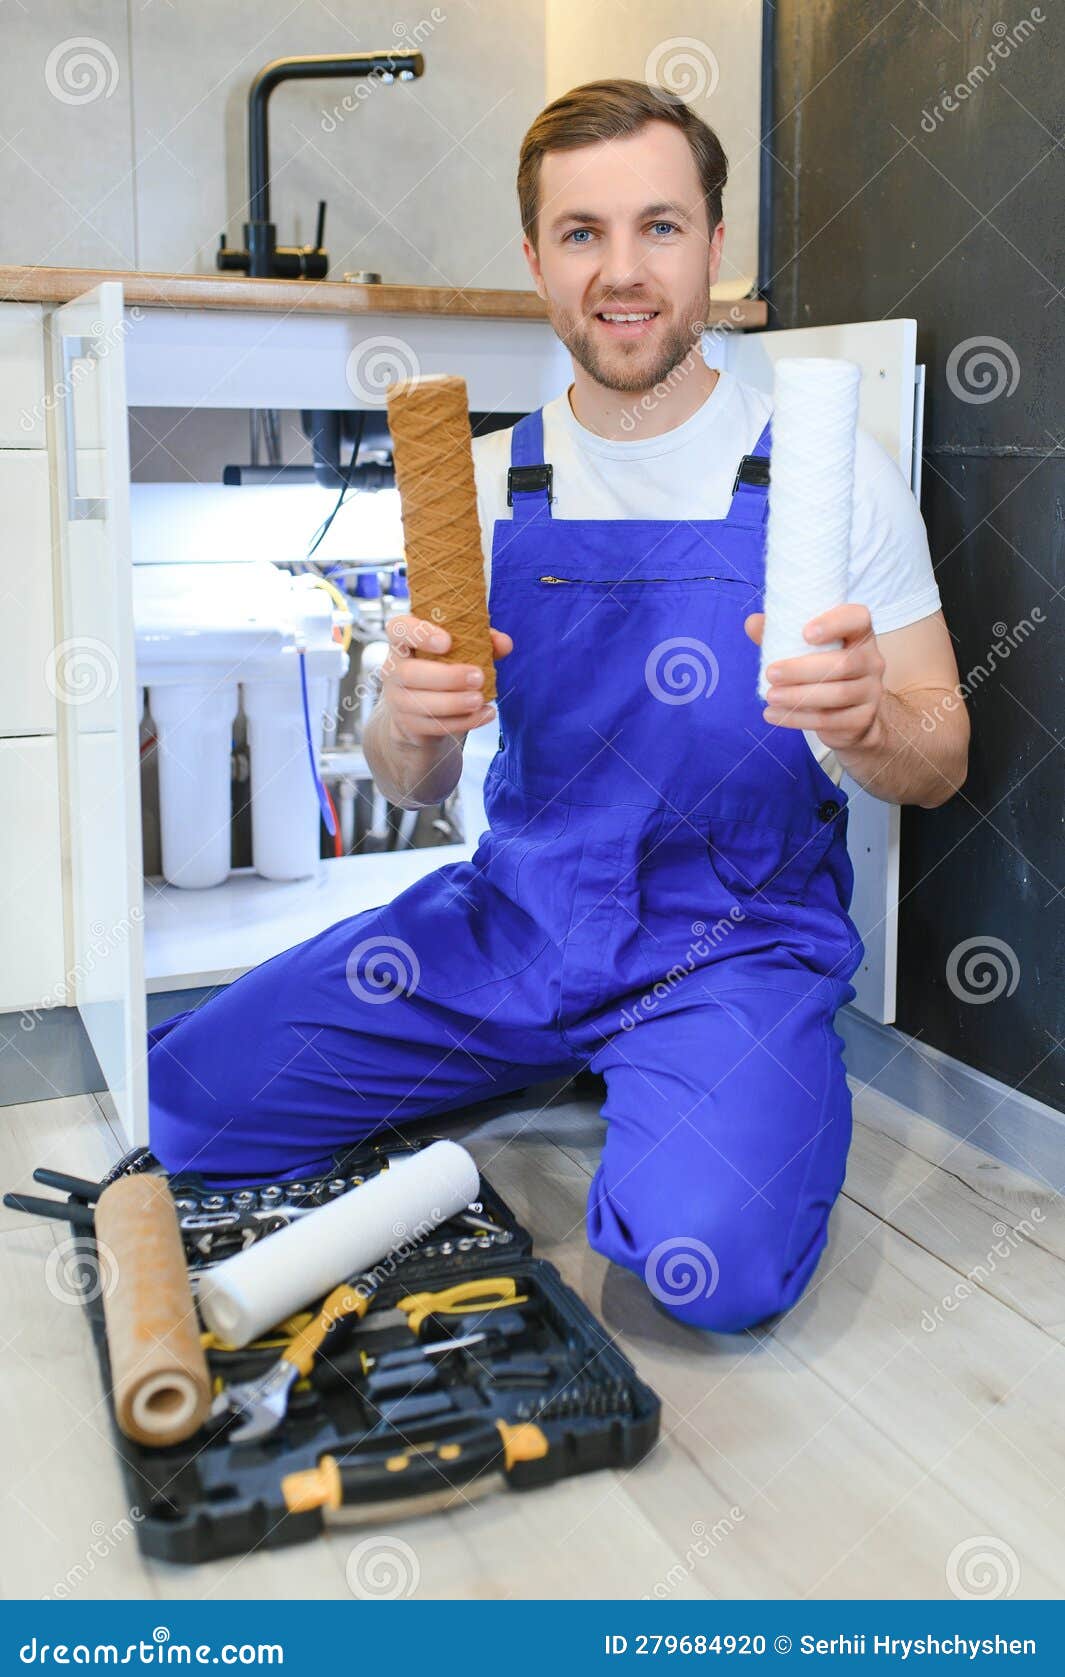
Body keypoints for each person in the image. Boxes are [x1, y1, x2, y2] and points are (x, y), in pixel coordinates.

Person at [148, 80, 968, 1333]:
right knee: (191, 1103)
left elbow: (942, 753)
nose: (622, 271)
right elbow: (411, 782)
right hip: (519, 923)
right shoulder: (482, 481)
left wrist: (866, 722)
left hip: (726, 946)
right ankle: (566, 1054)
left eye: (660, 227)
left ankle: (684, 1077)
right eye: (582, 233)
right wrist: (409, 720)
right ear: (535, 258)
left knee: (711, 1268)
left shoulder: (821, 474)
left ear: (714, 245)